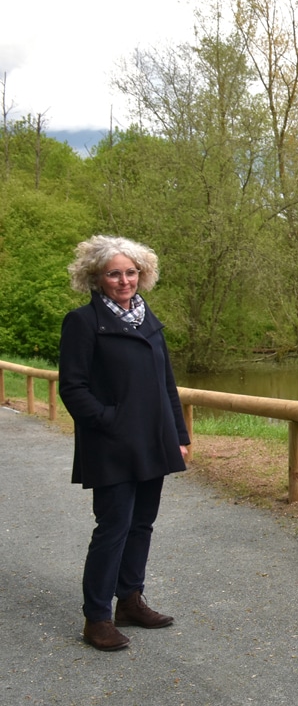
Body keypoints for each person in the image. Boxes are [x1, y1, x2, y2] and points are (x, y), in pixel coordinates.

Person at [59, 235, 191, 652]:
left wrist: (179, 435)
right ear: (96, 278)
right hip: (111, 444)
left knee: (141, 524)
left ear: (143, 274)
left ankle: (130, 601)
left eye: (131, 272)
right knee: (113, 528)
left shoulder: (147, 319)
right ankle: (96, 617)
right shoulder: (82, 322)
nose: (124, 280)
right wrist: (109, 420)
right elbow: (73, 388)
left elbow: (166, 385)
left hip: (153, 440)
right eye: (114, 273)